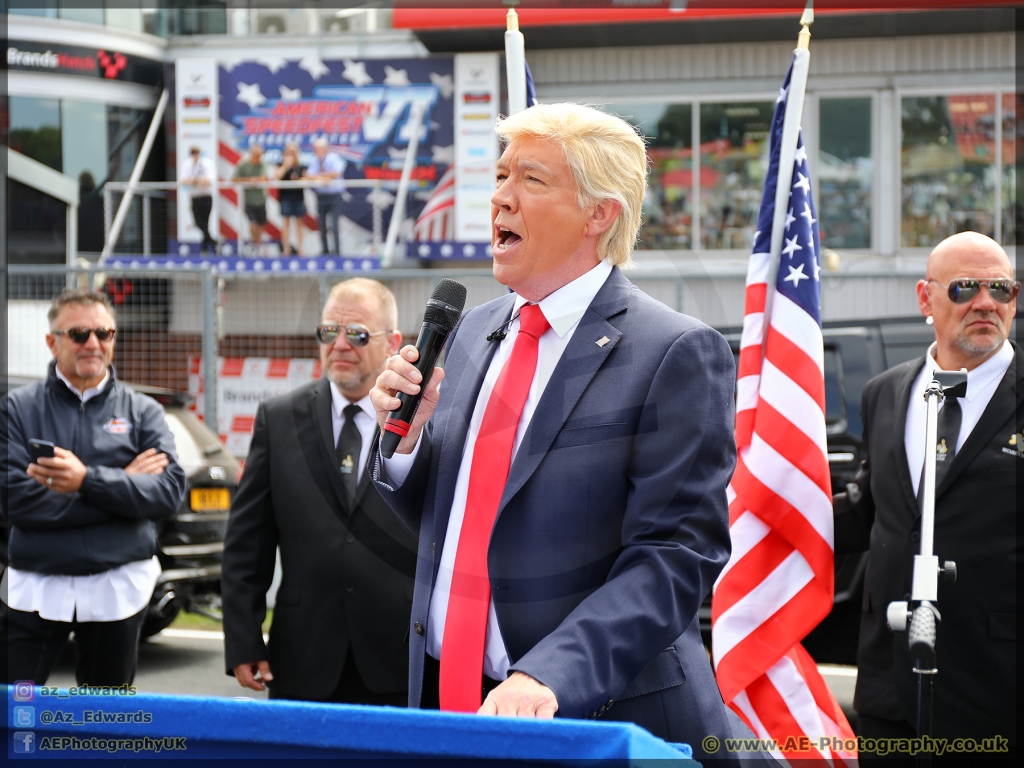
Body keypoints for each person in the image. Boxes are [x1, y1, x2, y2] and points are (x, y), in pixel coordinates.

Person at [368, 104, 741, 761]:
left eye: (532, 181)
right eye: (501, 175)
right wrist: (404, 444)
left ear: (600, 214)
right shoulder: (470, 330)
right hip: (448, 700)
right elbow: (459, 513)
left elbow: (676, 556)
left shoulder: (675, 351)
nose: (500, 197)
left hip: (592, 717)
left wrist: (551, 671)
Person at [833, 231, 1019, 759]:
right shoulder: (887, 391)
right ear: (925, 298)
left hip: (997, 691)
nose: (986, 302)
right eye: (964, 288)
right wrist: (764, 523)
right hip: (889, 689)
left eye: (1000, 289)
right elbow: (874, 509)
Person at [222, 279, 417, 705]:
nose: (341, 344)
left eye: (358, 334)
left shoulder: (423, 423)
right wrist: (243, 639)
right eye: (330, 331)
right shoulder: (278, 419)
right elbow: (246, 542)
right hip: (303, 658)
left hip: (401, 657)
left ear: (393, 342)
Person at [0, 289, 186, 686]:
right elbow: (14, 499)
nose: (94, 343)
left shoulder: (143, 411)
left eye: (104, 333)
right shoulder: (16, 409)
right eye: (79, 333)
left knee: (105, 726)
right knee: (13, 715)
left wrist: (84, 480)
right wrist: (124, 486)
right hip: (36, 584)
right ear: (52, 341)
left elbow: (168, 493)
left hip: (116, 587)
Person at [305, 138, 346, 255]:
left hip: (335, 196)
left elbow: (337, 172)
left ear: (324, 148)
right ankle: (325, 250)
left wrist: (321, 176)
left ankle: (337, 250)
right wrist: (323, 178)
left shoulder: (333, 158)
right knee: (321, 224)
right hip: (321, 196)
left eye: (317, 148)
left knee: (334, 223)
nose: (315, 151)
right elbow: (309, 175)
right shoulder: (314, 160)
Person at [232, 143, 269, 256]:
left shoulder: (262, 164)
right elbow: (234, 179)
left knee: (261, 223)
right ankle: (255, 243)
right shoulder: (243, 165)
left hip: (261, 199)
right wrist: (249, 180)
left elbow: (264, 178)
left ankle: (257, 243)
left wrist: (255, 180)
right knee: (253, 223)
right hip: (249, 199)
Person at [180, 145, 218, 254]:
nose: (195, 155)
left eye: (196, 152)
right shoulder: (187, 165)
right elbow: (183, 180)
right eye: (193, 153)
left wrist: (194, 180)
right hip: (195, 197)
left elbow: (209, 180)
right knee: (198, 222)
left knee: (205, 222)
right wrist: (197, 181)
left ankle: (205, 247)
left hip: (206, 197)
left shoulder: (207, 164)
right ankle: (212, 242)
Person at [275, 142, 307, 256]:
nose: (291, 155)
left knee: (299, 224)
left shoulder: (300, 166)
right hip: (286, 197)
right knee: (286, 223)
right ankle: (286, 249)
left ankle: (300, 248)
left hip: (298, 197)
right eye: (289, 152)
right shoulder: (280, 164)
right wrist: (285, 165)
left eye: (293, 152)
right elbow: (277, 176)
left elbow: (306, 179)